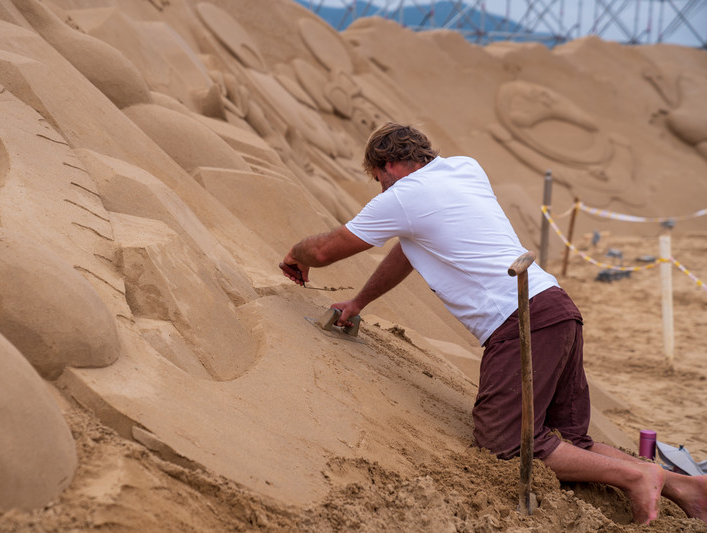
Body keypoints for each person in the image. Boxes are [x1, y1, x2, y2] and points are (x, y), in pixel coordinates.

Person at [280, 122, 707, 525]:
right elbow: (410, 250)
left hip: (520, 320)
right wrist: (359, 300)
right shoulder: (464, 168)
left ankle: (638, 477)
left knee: (505, 446)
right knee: (567, 439)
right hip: (557, 307)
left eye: (378, 177)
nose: (381, 186)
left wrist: (296, 254)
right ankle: (685, 487)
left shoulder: (404, 195)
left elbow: (325, 250)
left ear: (388, 165)